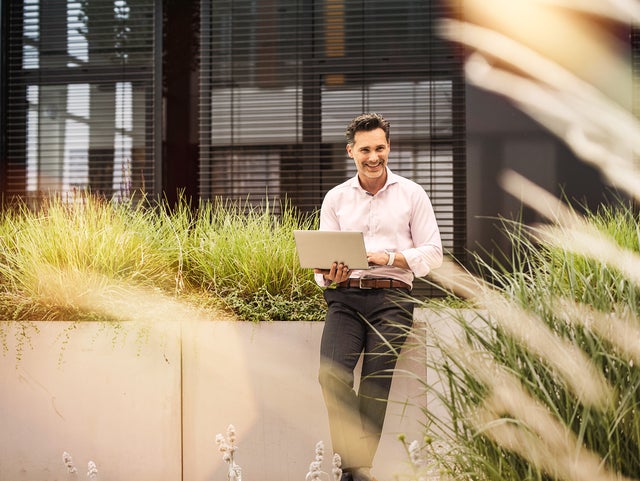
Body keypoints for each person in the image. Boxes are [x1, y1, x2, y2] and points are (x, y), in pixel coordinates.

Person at [314, 113, 443, 481]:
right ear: (351, 151)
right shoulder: (336, 198)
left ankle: (353, 471)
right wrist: (328, 273)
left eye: (380, 148)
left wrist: (389, 257)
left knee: (375, 381)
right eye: (365, 149)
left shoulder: (412, 193)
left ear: (389, 147)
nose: (374, 157)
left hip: (393, 299)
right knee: (331, 376)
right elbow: (323, 255)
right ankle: (356, 470)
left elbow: (433, 253)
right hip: (345, 297)